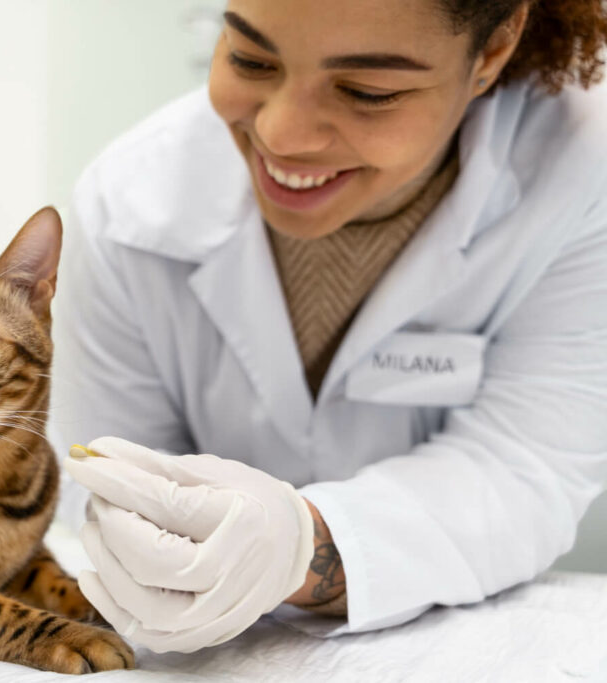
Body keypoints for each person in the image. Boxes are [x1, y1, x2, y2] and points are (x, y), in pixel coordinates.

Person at [49, 0, 607, 653]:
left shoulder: (580, 172)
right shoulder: (127, 207)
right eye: (249, 57)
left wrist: (305, 546)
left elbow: (521, 467)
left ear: (491, 49)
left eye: (369, 92)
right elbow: (109, 491)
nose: (282, 134)